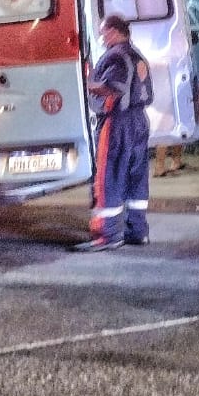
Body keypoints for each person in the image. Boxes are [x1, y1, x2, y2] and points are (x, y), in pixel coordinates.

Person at [74, 15, 153, 252]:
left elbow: (113, 88)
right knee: (136, 176)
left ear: (113, 31)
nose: (101, 37)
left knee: (109, 176)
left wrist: (81, 83)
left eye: (103, 32)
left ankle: (108, 234)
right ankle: (137, 231)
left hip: (118, 122)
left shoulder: (116, 56)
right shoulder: (137, 55)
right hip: (139, 121)